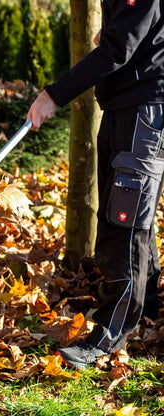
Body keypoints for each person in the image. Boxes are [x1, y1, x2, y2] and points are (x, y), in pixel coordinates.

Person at [27, 0, 164, 370]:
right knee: (125, 211)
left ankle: (109, 333)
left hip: (145, 107)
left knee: (126, 221)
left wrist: (53, 94)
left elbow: (117, 48)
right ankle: (146, 307)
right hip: (125, 102)